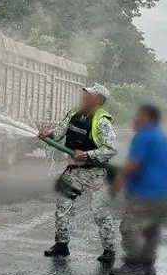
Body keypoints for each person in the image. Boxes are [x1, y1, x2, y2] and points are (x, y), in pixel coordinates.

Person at [38, 83, 117, 264]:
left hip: (96, 174)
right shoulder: (74, 114)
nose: (84, 96)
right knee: (62, 206)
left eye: (88, 94)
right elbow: (58, 133)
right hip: (74, 172)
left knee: (100, 213)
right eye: (85, 94)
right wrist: (48, 133)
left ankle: (109, 250)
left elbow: (111, 149)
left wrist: (86, 154)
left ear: (98, 100)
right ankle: (61, 245)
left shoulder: (102, 121)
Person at [109, 104, 167, 275]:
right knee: (151, 230)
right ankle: (147, 265)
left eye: (137, 116)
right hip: (164, 194)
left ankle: (133, 266)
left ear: (147, 118)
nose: (134, 119)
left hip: (146, 194)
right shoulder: (162, 137)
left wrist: (117, 182)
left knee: (129, 228)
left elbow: (133, 164)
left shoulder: (143, 136)